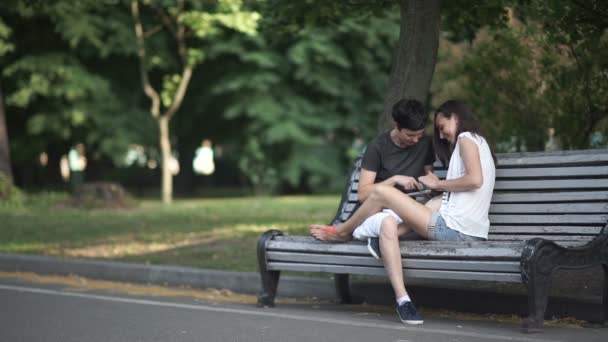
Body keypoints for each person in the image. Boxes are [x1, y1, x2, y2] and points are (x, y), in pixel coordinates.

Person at [310, 100, 496, 325]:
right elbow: (363, 194)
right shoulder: (476, 141)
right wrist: (422, 184)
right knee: (387, 205)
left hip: (454, 227)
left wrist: (435, 185)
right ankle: (403, 298)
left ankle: (342, 232)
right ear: (396, 126)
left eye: (441, 126)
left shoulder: (466, 140)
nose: (440, 134)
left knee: (385, 196)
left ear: (455, 116)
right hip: (455, 225)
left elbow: (473, 180)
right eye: (435, 129)